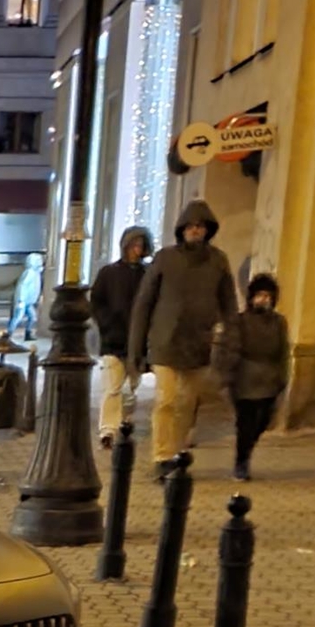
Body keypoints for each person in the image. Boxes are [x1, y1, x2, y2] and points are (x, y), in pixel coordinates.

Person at [128, 198, 239, 470]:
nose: (195, 230)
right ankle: (162, 456)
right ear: (182, 228)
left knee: (186, 405)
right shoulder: (166, 258)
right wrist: (136, 350)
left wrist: (233, 339)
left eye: (200, 226)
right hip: (165, 342)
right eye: (190, 226)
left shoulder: (218, 261)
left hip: (197, 344)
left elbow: (229, 304)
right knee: (166, 401)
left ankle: (176, 452)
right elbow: (144, 304)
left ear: (208, 230)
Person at [213, 271, 292, 480]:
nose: (263, 300)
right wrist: (225, 377)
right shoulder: (240, 321)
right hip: (244, 379)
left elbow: (284, 351)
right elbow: (227, 348)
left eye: (267, 296)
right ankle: (242, 462)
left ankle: (247, 450)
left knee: (263, 421)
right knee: (246, 423)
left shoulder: (279, 323)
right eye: (259, 295)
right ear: (251, 297)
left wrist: (283, 377)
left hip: (269, 379)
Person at [90, 225, 152, 448]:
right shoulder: (109, 273)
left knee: (130, 389)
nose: (137, 249)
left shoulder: (148, 274)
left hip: (138, 343)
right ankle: (108, 430)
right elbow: (96, 301)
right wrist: (106, 324)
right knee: (112, 387)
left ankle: (124, 422)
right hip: (113, 340)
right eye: (134, 245)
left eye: (141, 245)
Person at [6, 251, 44, 343]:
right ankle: (8, 334)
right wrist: (21, 300)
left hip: (29, 301)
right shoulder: (30, 273)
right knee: (18, 317)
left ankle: (28, 333)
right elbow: (23, 286)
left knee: (32, 317)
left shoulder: (35, 273)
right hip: (23, 300)